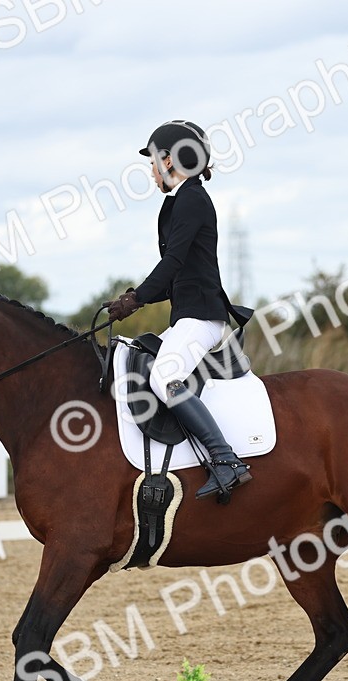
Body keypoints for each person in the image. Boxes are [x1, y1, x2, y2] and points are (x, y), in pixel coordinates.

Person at [107, 120, 252, 501]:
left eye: (154, 162)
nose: (152, 171)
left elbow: (172, 261)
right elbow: (175, 279)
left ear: (171, 160)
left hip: (202, 316)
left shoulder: (192, 199)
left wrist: (135, 299)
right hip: (187, 313)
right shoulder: (177, 203)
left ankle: (225, 460)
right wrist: (132, 299)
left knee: (164, 376)